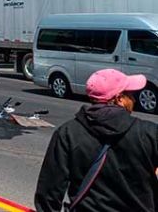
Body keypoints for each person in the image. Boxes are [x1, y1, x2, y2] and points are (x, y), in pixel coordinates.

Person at [35, 69, 158, 212]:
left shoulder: (68, 133)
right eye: (130, 94)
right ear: (119, 99)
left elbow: (49, 192)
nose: (134, 99)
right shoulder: (149, 133)